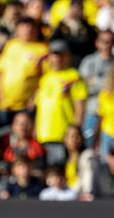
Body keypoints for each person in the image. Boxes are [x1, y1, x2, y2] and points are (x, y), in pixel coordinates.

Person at [35, 39, 87, 167]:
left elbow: (80, 106)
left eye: (61, 55)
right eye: (54, 55)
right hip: (43, 135)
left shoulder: (73, 76)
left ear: (68, 56)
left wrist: (75, 133)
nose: (57, 59)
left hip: (63, 135)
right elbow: (40, 107)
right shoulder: (45, 78)